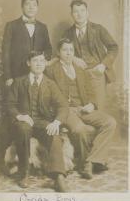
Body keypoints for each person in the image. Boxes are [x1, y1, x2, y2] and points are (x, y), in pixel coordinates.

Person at [45, 38, 116, 179]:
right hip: (66, 111)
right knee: (81, 129)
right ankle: (90, 163)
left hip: (83, 108)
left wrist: (92, 104)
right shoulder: (52, 71)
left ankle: (91, 161)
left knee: (110, 122)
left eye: (71, 50)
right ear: (58, 53)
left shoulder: (80, 70)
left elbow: (90, 92)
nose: (68, 53)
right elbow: (49, 97)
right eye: (65, 50)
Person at [6, 51, 68, 191]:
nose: (39, 63)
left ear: (45, 63)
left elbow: (63, 105)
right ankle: (24, 173)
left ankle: (58, 176)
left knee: (54, 134)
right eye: (35, 60)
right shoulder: (19, 82)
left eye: (42, 61)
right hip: (23, 121)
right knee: (24, 128)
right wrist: (19, 116)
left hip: (42, 121)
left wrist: (56, 122)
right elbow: (9, 104)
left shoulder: (50, 84)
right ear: (29, 63)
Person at [63, 0, 118, 110]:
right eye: (76, 11)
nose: (79, 14)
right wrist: (73, 58)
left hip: (96, 73)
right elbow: (61, 51)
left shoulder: (98, 29)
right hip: (77, 74)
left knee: (98, 107)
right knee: (82, 108)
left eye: (82, 10)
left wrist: (103, 65)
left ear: (87, 12)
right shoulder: (68, 33)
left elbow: (113, 47)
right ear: (71, 14)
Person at [2, 0, 52, 86]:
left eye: (34, 5)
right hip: (16, 74)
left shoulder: (43, 27)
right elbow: (5, 53)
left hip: (38, 74)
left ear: (37, 8)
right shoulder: (11, 26)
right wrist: (8, 76)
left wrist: (42, 61)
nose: (31, 7)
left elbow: (48, 48)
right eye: (27, 4)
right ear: (22, 7)